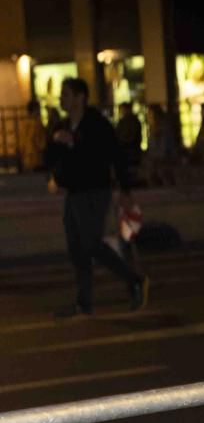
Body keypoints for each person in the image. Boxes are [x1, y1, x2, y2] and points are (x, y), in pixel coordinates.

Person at [44, 78, 149, 317]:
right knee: (76, 248)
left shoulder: (96, 124)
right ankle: (83, 302)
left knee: (91, 243)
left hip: (94, 190)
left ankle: (133, 280)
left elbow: (112, 154)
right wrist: (56, 146)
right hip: (73, 193)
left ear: (81, 98)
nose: (62, 99)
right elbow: (49, 158)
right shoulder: (62, 126)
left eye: (66, 94)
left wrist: (124, 190)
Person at [114, 102, 143, 171]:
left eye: (122, 109)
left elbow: (131, 136)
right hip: (129, 151)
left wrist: (121, 142)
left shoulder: (130, 121)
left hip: (129, 151)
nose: (121, 112)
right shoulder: (128, 121)